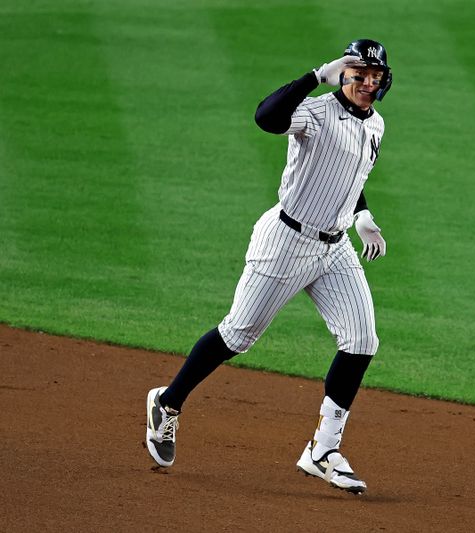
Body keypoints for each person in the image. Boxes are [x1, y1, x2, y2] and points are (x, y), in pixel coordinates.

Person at [145, 39, 393, 495]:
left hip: (335, 249)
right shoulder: (315, 113)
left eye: (375, 78)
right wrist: (317, 75)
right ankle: (168, 402)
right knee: (237, 335)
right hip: (286, 241)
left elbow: (350, 176)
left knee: (362, 339)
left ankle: (323, 450)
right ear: (344, 74)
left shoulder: (376, 123)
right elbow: (266, 117)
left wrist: (363, 217)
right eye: (359, 75)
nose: (368, 85)